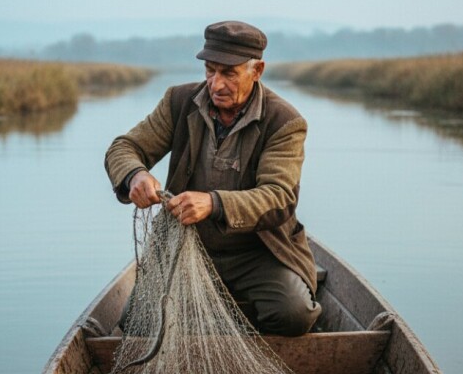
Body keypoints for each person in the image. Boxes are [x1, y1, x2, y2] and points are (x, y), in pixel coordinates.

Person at [104, 20, 320, 336]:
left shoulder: (284, 122)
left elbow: (279, 196)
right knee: (140, 321)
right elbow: (124, 147)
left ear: (257, 71)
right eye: (210, 70)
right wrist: (134, 175)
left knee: (294, 314)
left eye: (229, 73)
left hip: (258, 251)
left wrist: (213, 203)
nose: (216, 84)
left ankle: (225, 326)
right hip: (185, 246)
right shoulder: (179, 102)